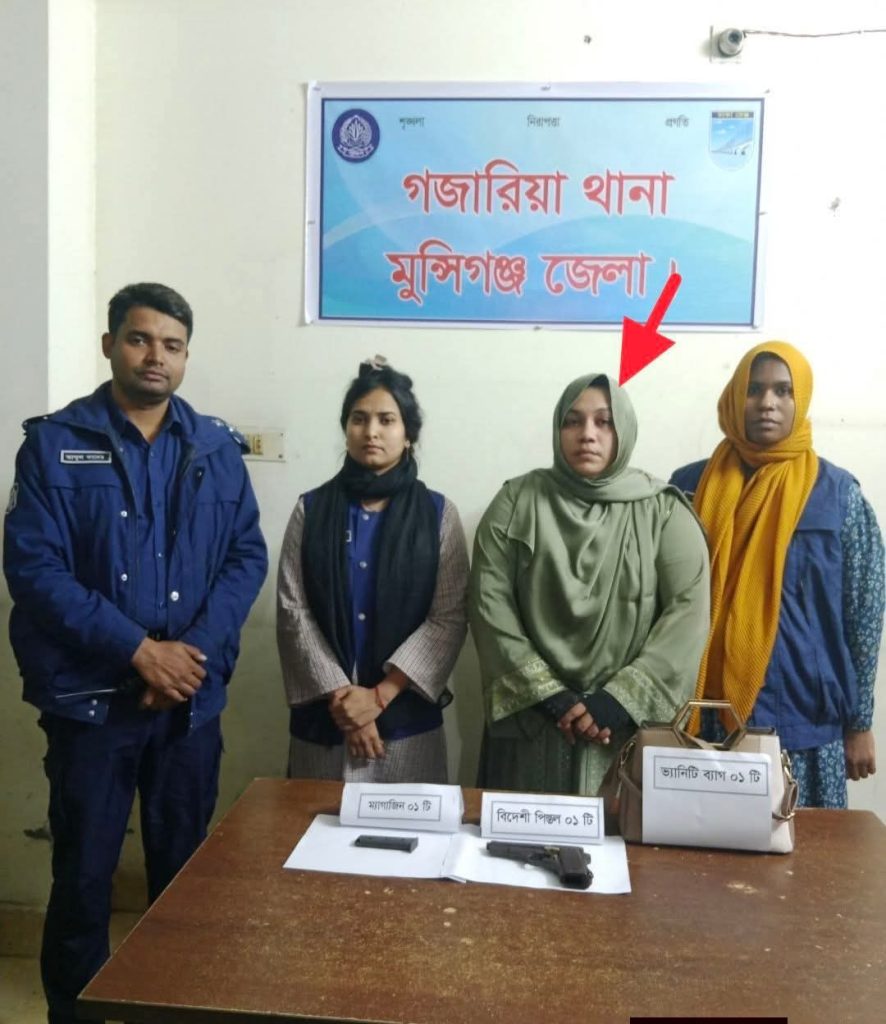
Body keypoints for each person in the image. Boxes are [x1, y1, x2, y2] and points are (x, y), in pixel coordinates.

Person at [3, 282, 268, 1024]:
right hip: (91, 704)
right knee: (83, 878)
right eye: (140, 339)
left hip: (188, 705)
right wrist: (138, 653)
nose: (156, 356)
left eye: (172, 345)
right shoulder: (54, 445)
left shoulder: (215, 447)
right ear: (110, 344)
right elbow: (34, 570)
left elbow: (245, 557)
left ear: (186, 356)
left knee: (184, 884)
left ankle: (172, 1011)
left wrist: (187, 658)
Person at [469, 372, 710, 796]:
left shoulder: (664, 511)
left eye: (604, 422)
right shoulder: (516, 502)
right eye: (573, 421)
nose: (587, 434)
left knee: (622, 836)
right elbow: (489, 606)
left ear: (624, 431)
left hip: (625, 734)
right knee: (522, 834)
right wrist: (549, 696)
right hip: (533, 728)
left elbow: (687, 615)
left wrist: (616, 701)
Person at [670, 341, 884, 808]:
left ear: (799, 399)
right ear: (735, 397)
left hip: (806, 727)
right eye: (754, 389)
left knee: (808, 853)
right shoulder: (688, 488)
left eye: (783, 391)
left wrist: (860, 723)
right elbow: (663, 605)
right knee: (703, 851)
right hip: (704, 722)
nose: (767, 403)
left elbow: (864, 619)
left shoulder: (838, 496)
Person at [277, 357, 468, 782]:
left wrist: (378, 698)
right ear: (346, 428)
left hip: (406, 728)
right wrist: (346, 703)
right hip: (325, 726)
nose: (371, 431)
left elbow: (448, 617)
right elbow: (294, 613)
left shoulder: (438, 514)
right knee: (317, 823)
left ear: (409, 433)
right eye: (359, 419)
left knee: (407, 825)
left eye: (387, 419)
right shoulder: (311, 510)